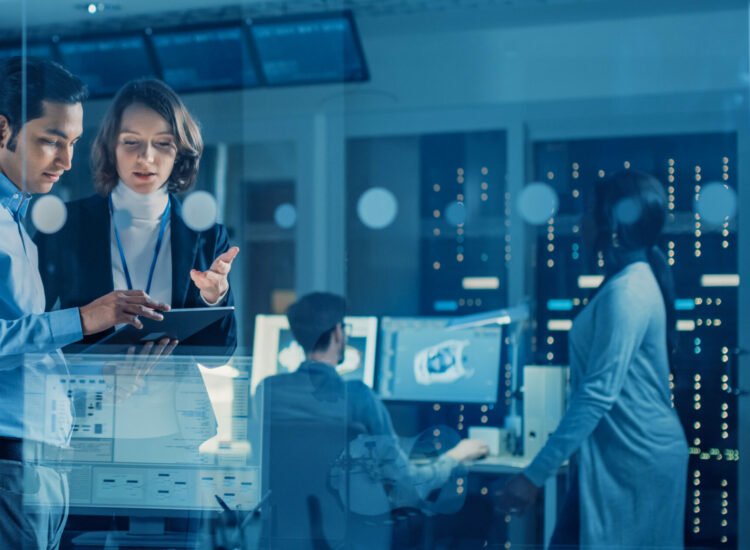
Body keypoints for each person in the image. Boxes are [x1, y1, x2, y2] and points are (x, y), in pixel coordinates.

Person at [0, 58, 171, 549]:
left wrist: (99, 391)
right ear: (2, 130)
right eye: (51, 139)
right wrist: (84, 319)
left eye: (72, 142)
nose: (66, 160)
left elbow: (18, 365)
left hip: (29, 474)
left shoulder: (10, 220)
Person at [497, 169, 688, 549]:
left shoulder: (629, 291)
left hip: (636, 459)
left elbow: (597, 393)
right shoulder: (627, 281)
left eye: (587, 210)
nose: (580, 221)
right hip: (620, 455)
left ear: (613, 221)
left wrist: (534, 476)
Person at [251, 292, 488, 549]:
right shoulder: (358, 397)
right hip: (350, 539)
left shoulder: (267, 391)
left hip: (283, 539)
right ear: (338, 333)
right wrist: (456, 456)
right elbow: (407, 486)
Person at [36, 78, 239, 354]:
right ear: (112, 148)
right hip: (92, 393)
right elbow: (29, 331)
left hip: (174, 396)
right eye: (131, 142)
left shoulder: (207, 236)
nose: (146, 157)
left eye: (163, 144)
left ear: (179, 153)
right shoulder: (67, 226)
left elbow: (219, 355)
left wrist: (215, 297)